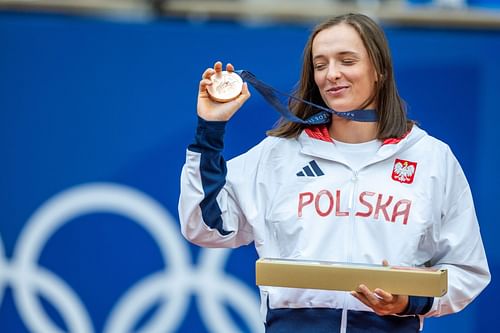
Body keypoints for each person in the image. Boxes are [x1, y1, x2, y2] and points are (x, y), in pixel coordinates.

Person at [178, 13, 490, 332]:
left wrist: (410, 301)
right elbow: (204, 227)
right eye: (321, 64)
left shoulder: (431, 158)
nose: (332, 74)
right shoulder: (278, 155)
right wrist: (210, 128)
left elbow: (467, 270)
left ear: (379, 70)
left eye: (347, 60)